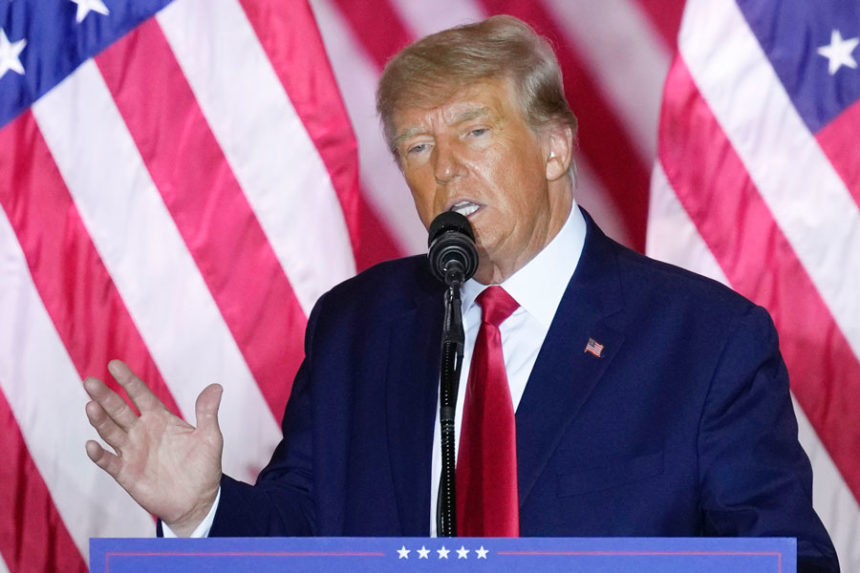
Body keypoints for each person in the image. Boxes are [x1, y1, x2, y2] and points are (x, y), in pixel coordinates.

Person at [83, 15, 839, 571]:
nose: (445, 168)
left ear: (555, 146)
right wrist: (202, 507)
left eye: (474, 132)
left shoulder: (707, 340)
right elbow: (304, 534)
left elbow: (788, 558)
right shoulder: (356, 327)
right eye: (417, 147)